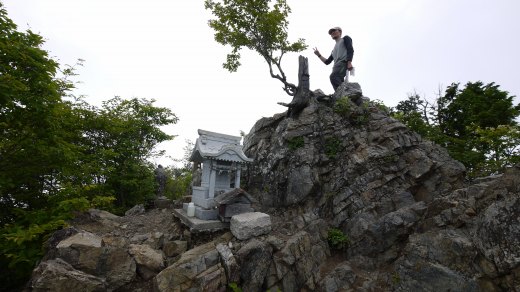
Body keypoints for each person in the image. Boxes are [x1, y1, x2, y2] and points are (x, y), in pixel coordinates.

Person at [313, 26, 354, 91]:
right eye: (331, 32)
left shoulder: (345, 38)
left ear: (340, 32)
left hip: (343, 63)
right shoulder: (334, 50)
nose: (332, 33)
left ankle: (343, 93)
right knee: (338, 81)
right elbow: (327, 62)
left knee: (333, 77)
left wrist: (349, 62)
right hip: (335, 67)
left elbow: (350, 49)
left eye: (334, 31)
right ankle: (342, 97)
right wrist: (318, 55)